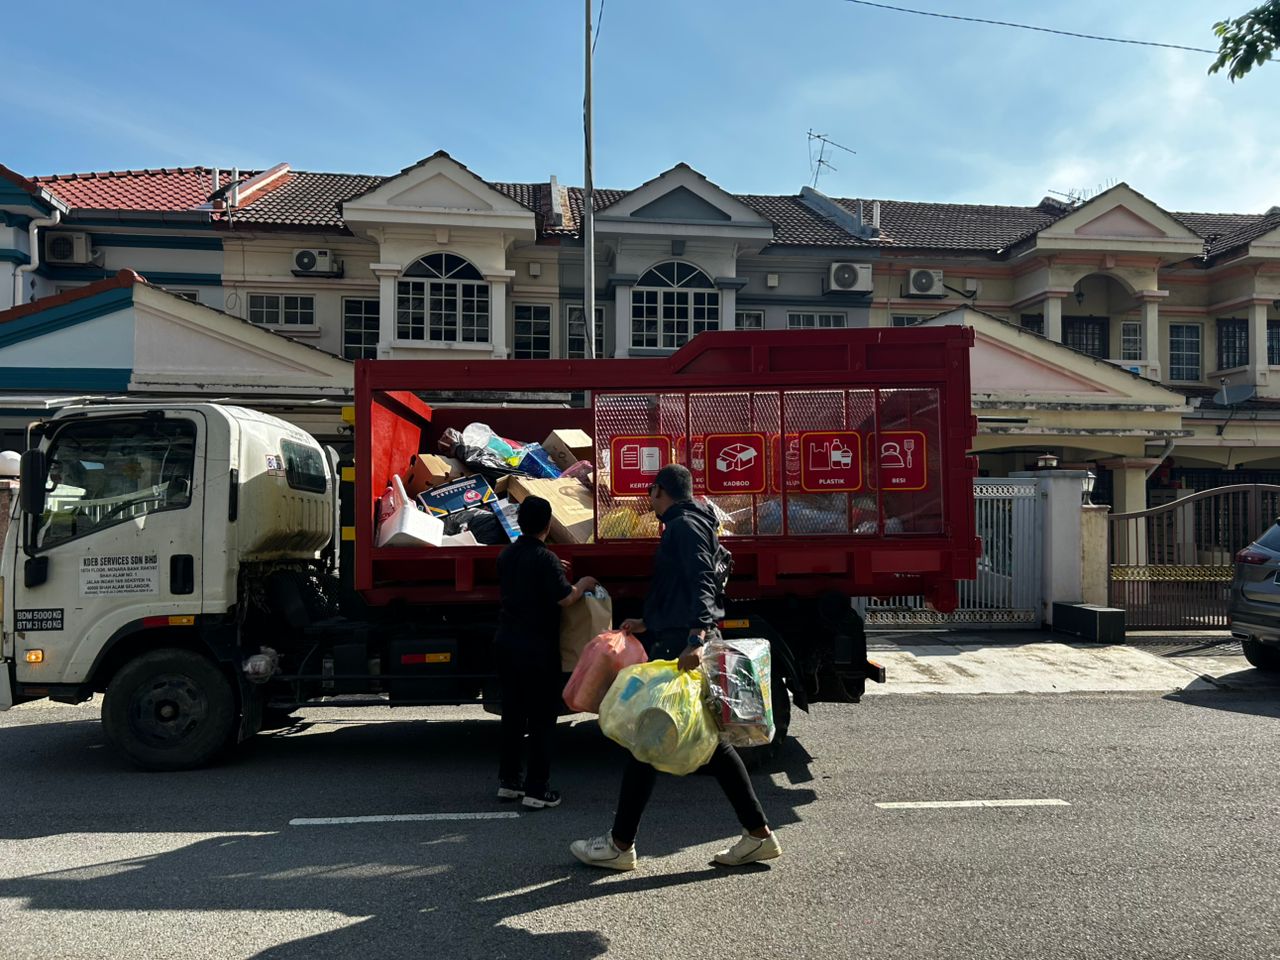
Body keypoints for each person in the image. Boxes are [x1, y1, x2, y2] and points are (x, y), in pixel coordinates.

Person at [570, 463, 782, 871]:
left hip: (682, 644)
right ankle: (757, 835)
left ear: (658, 490)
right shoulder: (694, 521)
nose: (647, 501)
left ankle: (620, 844)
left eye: (649, 493)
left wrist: (696, 638)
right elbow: (683, 585)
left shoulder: (683, 526)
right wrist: (648, 620)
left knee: (647, 738)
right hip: (674, 634)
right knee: (705, 744)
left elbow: (702, 580)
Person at [495, 495, 597, 810]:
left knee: (512, 714)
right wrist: (583, 583)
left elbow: (532, 581)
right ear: (549, 524)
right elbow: (566, 598)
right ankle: (538, 790)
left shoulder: (507, 555)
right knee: (541, 719)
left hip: (506, 644)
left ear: (519, 522)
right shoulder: (546, 559)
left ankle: (509, 782)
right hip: (536, 648)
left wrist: (556, 570)